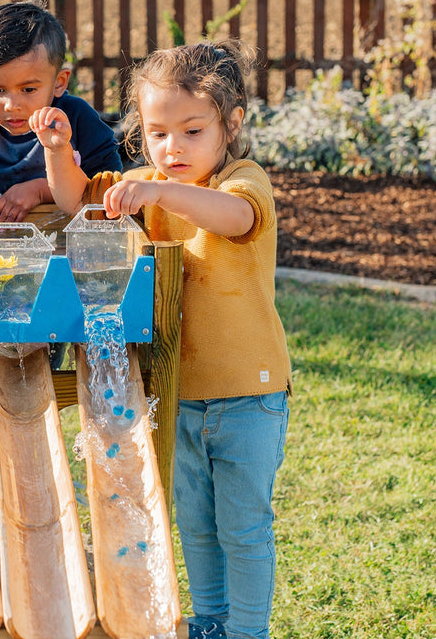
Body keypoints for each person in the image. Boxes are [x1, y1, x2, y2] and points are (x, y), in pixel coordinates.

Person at [30, 40, 292, 639]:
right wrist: (59, 152)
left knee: (244, 525)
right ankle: (211, 622)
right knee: (196, 524)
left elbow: (234, 219)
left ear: (231, 126)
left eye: (191, 131)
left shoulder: (242, 182)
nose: (171, 149)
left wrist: (159, 193)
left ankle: (247, 632)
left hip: (249, 397)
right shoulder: (147, 184)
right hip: (178, 395)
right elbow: (77, 199)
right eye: (157, 134)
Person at [0, 0, 122, 226]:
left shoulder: (76, 118)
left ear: (59, 82)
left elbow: (109, 185)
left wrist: (41, 191)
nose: (11, 105)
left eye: (28, 89)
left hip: (70, 242)